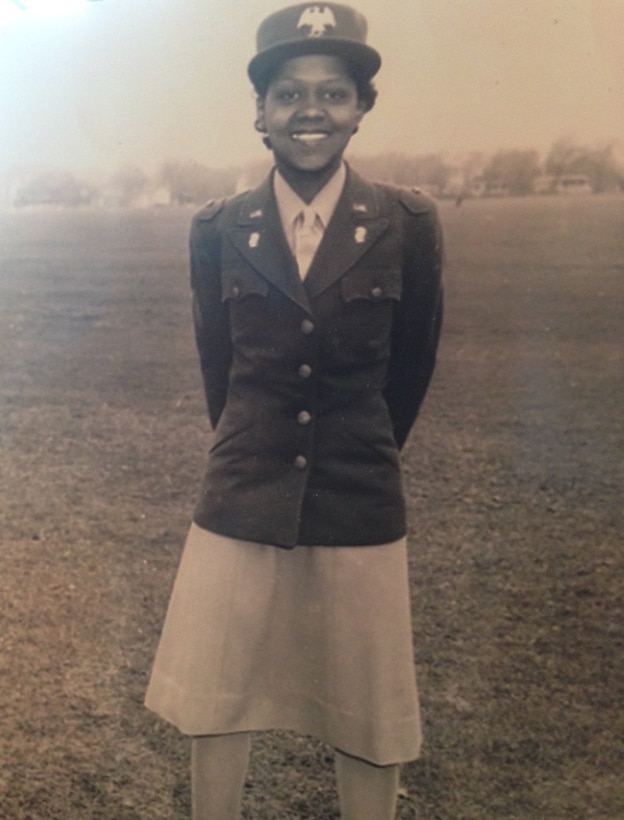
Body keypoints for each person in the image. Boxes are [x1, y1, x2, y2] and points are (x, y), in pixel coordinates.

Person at [145, 3, 443, 818]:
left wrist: (358, 447)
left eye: (334, 92)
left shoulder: (407, 223)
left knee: (368, 706)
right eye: (288, 93)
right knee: (217, 696)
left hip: (358, 494)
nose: (310, 110)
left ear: (361, 108)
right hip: (243, 488)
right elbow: (222, 370)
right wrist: (259, 450)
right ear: (260, 113)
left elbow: (408, 368)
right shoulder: (219, 227)